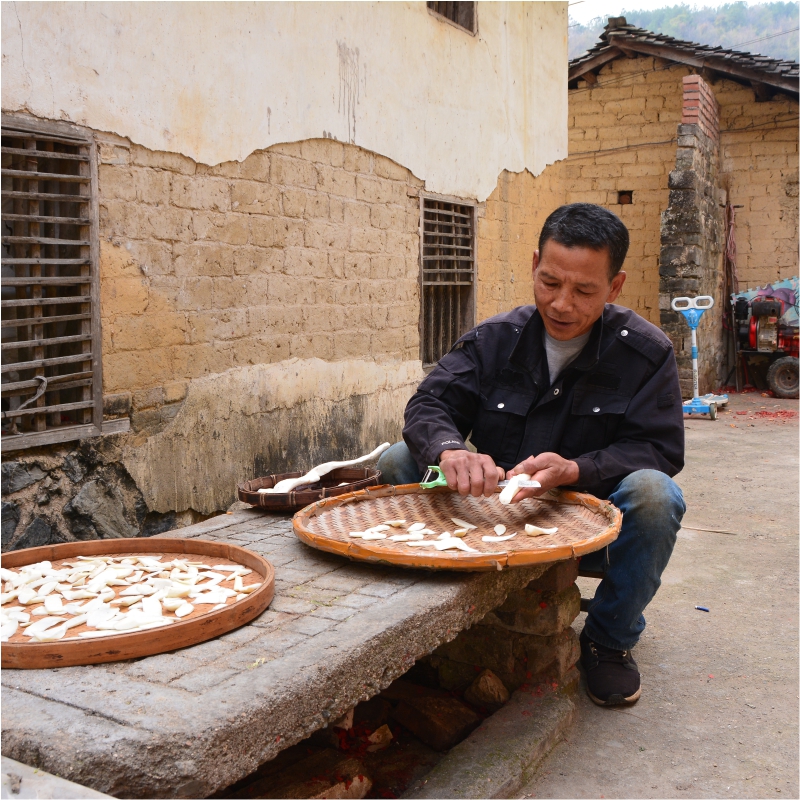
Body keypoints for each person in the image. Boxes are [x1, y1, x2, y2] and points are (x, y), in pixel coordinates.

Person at [377, 203, 686, 707]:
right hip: (488, 512)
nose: (562, 303)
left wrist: (578, 470)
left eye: (584, 290)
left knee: (656, 494)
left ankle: (608, 640)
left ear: (614, 286)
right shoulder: (494, 339)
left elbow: (659, 448)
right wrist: (451, 450)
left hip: (588, 520)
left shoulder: (646, 352)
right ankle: (424, 611)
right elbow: (430, 403)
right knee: (397, 461)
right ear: (536, 262)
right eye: (549, 282)